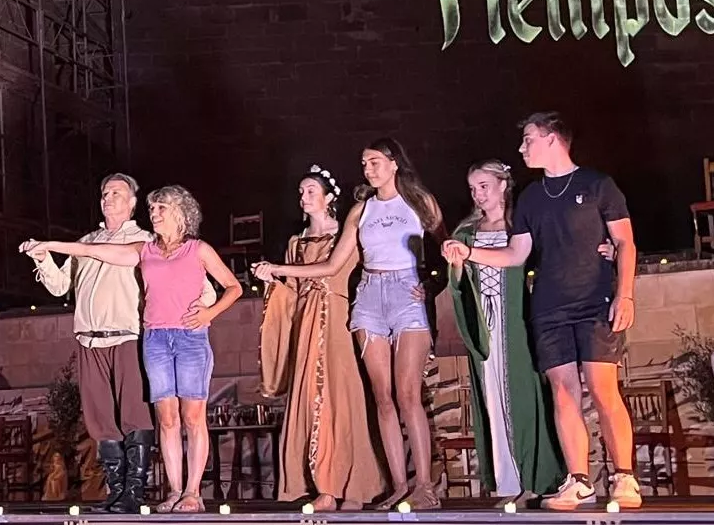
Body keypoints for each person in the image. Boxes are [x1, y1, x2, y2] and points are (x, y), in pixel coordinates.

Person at [443, 113, 641, 510]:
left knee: (603, 390)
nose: (522, 148)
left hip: (594, 302)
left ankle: (624, 476)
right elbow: (517, 254)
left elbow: (625, 243)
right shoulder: (531, 198)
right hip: (549, 307)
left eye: (528, 139)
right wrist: (469, 252)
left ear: (552, 139)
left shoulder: (598, 185)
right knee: (563, 394)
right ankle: (579, 480)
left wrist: (626, 294)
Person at [23, 185, 243, 514]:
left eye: (161, 208)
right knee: (163, 419)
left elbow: (225, 287)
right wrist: (47, 247)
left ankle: (187, 492)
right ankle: (161, 490)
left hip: (169, 336)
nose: (154, 214)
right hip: (140, 338)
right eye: (153, 209)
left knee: (187, 416)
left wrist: (208, 312)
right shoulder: (137, 248)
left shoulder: (184, 247)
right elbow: (89, 258)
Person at [252, 166, 384, 511]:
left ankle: (351, 484)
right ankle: (321, 484)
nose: (304, 197)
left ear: (329, 198)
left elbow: (334, 271)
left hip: (337, 319)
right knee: (311, 396)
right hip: (307, 323)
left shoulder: (346, 233)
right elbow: (292, 293)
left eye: (311, 190)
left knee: (341, 396)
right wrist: (273, 280)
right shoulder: (296, 242)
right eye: (301, 191)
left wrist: (279, 269)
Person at [441, 160, 566, 505]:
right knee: (493, 400)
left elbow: (547, 259)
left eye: (484, 186)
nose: (478, 194)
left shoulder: (519, 228)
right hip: (486, 325)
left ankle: (537, 479)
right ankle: (508, 481)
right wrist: (454, 262)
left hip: (517, 324)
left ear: (502, 186)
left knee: (525, 398)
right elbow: (459, 280)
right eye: (473, 188)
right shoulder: (467, 231)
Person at [346, 138, 442, 509]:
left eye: (374, 162)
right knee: (383, 397)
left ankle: (426, 486)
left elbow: (445, 248)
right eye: (364, 163)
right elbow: (341, 260)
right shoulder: (362, 209)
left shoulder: (418, 201)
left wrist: (431, 284)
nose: (368, 170)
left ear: (393, 163)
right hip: (370, 294)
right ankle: (399, 484)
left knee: (407, 394)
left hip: (406, 292)